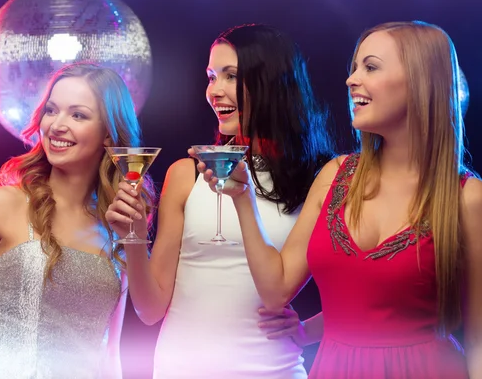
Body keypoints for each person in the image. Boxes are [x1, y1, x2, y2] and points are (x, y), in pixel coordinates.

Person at [205, 21, 482, 379]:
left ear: (419, 81)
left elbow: (478, 339)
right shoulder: (335, 175)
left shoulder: (467, 198)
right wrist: (242, 197)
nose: (351, 80)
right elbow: (276, 290)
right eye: (354, 69)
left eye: (370, 67)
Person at [107, 24, 334, 378]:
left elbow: (362, 286)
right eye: (212, 77)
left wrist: (309, 332)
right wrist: (134, 236)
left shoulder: (318, 179)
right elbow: (150, 310)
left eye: (231, 76)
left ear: (272, 83)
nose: (216, 91)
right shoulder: (187, 175)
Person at [0, 62, 153, 379]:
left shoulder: (118, 223)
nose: (57, 125)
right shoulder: (2, 204)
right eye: (52, 111)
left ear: (108, 133)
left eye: (77, 115)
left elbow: (110, 353)